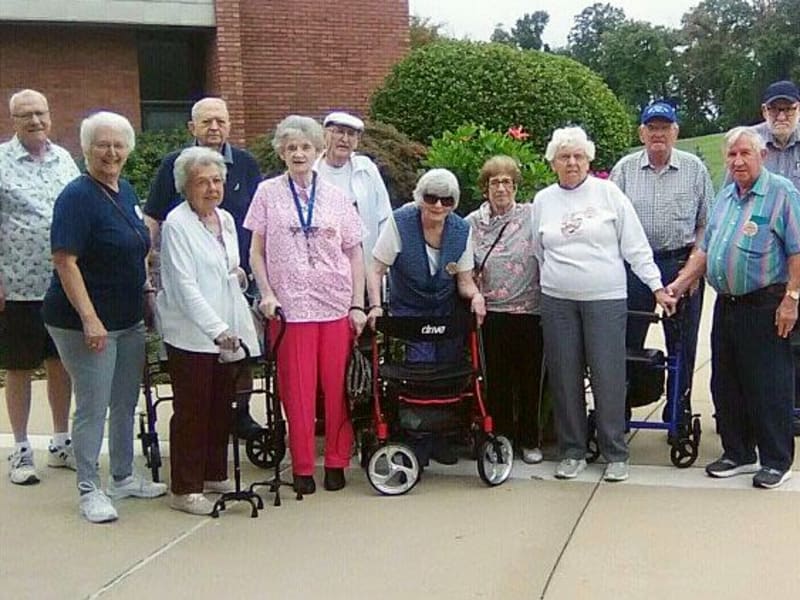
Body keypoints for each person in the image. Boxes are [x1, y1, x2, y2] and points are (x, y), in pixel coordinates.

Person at [531, 126, 676, 483]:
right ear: (553, 162)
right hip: (557, 299)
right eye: (564, 156)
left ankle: (615, 452)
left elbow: (635, 246)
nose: (572, 162)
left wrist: (656, 286)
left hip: (605, 298)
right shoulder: (543, 200)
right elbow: (538, 250)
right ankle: (572, 450)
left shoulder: (608, 194)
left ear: (589, 160)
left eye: (579, 156)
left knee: (607, 374)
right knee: (564, 377)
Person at [43, 111, 166, 523]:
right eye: (102, 144)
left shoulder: (125, 189)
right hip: (83, 320)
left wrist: (146, 294)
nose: (111, 152)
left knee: (124, 401)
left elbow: (136, 250)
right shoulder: (77, 196)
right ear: (86, 149)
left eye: (118, 145)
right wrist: (90, 318)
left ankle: (123, 476)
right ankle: (88, 489)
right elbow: (65, 260)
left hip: (128, 316)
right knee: (93, 406)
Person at [668, 127, 800, 489]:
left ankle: (776, 460)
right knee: (725, 382)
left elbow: (797, 251)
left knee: (768, 385)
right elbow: (706, 250)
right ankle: (739, 453)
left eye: (745, 154)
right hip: (726, 305)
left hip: (765, 304)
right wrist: (679, 285)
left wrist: (792, 299)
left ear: (763, 156)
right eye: (732, 155)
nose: (738, 161)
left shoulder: (781, 194)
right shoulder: (726, 196)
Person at [245, 115, 365, 495]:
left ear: (318, 151)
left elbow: (355, 251)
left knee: (337, 389)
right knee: (296, 391)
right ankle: (300, 466)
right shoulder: (266, 193)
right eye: (291, 147)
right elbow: (256, 252)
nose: (299, 153)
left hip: (334, 304)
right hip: (290, 307)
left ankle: (335, 461)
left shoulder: (336, 197)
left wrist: (357, 304)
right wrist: (266, 293)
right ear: (281, 152)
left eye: (306, 147)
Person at [144, 97, 263, 437]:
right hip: (191, 272)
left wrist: (253, 270)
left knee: (243, 354)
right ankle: (200, 427)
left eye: (220, 121)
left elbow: (259, 220)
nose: (214, 127)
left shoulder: (245, 163)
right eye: (206, 121)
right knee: (199, 360)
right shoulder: (175, 165)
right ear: (191, 127)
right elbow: (153, 217)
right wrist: (146, 268)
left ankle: (239, 413)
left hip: (235, 273)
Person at [156, 147, 260, 515]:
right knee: (193, 409)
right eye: (202, 182)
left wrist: (241, 277)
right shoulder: (177, 225)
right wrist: (216, 329)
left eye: (217, 181)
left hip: (227, 328)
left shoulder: (227, 220)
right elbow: (184, 286)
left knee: (221, 405)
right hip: (191, 334)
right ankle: (185, 488)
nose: (212, 188)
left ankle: (213, 471)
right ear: (186, 187)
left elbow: (227, 267)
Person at [367, 168, 486, 466]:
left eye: (446, 201)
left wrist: (477, 297)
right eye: (431, 198)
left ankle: (442, 436)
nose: (438, 206)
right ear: (420, 198)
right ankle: (417, 437)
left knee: (448, 373)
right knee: (420, 372)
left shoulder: (461, 230)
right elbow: (376, 268)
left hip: (445, 311)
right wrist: (376, 305)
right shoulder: (400, 222)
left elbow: (464, 280)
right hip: (409, 310)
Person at [610, 101, 713, 422]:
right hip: (634, 269)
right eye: (652, 128)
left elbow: (706, 226)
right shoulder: (624, 170)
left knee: (682, 342)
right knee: (627, 339)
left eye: (664, 128)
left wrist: (693, 270)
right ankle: (622, 404)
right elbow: (609, 223)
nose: (658, 134)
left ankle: (678, 406)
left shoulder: (694, 168)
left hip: (679, 263)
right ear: (642, 133)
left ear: (675, 132)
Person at [0, 89, 77, 485]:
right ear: (13, 120)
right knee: (18, 367)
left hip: (62, 283)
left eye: (40, 113)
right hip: (17, 284)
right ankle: (21, 447)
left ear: (50, 115)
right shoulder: (1, 161)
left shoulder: (64, 159)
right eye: (25, 114)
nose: (35, 120)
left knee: (60, 362)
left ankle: (62, 441)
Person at [465, 155, 543, 464]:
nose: (501, 188)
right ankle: (501, 437)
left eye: (507, 182)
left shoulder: (532, 215)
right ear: (485, 188)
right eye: (494, 182)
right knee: (496, 380)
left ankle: (529, 440)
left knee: (529, 380)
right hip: (491, 312)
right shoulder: (472, 223)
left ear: (515, 186)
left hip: (528, 310)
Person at [751, 80, 800, 435]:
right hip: (765, 262)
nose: (781, 115)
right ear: (764, 112)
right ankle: (767, 414)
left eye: (788, 109)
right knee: (769, 340)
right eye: (774, 109)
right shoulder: (751, 145)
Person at [315, 111, 392, 269]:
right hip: (322, 262)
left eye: (351, 134)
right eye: (339, 132)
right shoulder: (312, 171)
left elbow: (384, 215)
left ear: (357, 142)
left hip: (364, 260)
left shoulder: (366, 168)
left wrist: (382, 259)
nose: (345, 139)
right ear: (325, 135)